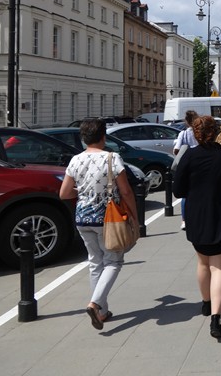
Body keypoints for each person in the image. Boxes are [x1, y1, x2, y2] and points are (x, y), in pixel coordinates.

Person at [59, 118, 139, 331]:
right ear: (103, 137)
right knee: (113, 262)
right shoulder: (112, 158)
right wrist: (134, 216)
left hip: (82, 218)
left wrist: (85, 193)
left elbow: (64, 193)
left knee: (95, 262)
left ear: (83, 138)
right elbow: (126, 191)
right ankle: (95, 304)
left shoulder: (75, 160)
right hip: (108, 219)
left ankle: (102, 312)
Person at [173, 115, 221, 339]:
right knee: (219, 268)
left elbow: (178, 190)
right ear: (217, 131)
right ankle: (215, 319)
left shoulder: (189, 156)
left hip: (197, 218)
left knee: (203, 262)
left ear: (196, 134)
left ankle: (206, 302)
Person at [173, 110, 199, 230]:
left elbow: (176, 150)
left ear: (187, 122)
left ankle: (184, 220)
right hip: (199, 162)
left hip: (187, 164)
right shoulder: (199, 132)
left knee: (185, 194)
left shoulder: (183, 134)